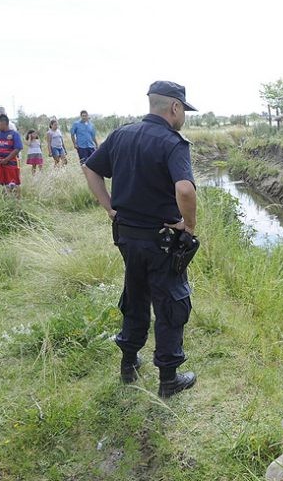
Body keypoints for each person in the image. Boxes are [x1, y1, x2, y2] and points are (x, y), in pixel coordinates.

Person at [83, 81, 198, 398]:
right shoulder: (173, 143)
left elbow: (91, 169)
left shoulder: (122, 134)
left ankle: (129, 364)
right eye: (183, 110)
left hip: (126, 236)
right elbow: (185, 190)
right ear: (174, 107)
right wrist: (189, 228)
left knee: (135, 296)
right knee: (171, 302)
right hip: (162, 240)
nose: (183, 117)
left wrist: (110, 208)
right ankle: (169, 380)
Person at [0, 115, 22, 192]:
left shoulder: (14, 134)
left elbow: (17, 148)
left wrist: (6, 159)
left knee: (12, 183)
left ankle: (15, 200)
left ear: (4, 123)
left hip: (11, 163)